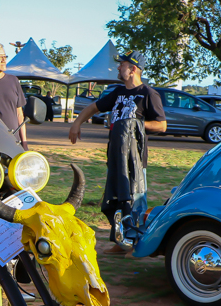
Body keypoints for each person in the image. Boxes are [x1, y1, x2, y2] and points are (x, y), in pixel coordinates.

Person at [69, 50, 166, 253]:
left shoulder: (148, 94)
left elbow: (161, 125)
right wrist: (77, 123)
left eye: (122, 64)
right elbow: (93, 108)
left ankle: (137, 244)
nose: (118, 67)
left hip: (135, 160)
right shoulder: (118, 92)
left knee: (136, 200)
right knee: (116, 198)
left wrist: (134, 124)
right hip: (115, 156)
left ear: (133, 69)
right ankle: (121, 242)